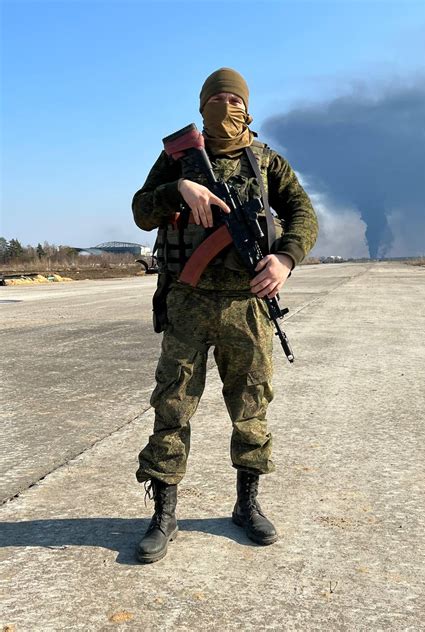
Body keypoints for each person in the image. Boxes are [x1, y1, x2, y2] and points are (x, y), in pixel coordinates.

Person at [132, 68, 318, 563]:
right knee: (172, 405)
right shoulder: (178, 158)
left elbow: (303, 213)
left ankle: (247, 505)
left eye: (233, 98)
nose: (225, 105)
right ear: (201, 107)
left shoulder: (267, 162)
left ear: (247, 107)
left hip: (247, 304)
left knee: (251, 406)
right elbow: (141, 210)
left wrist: (286, 258)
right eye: (215, 98)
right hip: (188, 303)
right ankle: (164, 514)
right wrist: (179, 191)